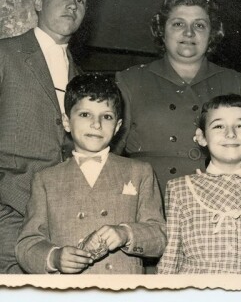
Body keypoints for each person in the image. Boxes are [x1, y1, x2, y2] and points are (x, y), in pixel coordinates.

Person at [115, 0, 241, 197]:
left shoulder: (235, 82)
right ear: (162, 31)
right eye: (178, 24)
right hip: (149, 198)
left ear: (212, 34)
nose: (189, 33)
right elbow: (110, 150)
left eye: (199, 25)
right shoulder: (130, 81)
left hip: (218, 199)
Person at [15, 74, 166, 274]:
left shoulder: (140, 172)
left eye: (107, 116)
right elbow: (27, 244)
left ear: (118, 127)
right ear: (66, 122)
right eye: (85, 114)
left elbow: (160, 236)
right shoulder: (45, 179)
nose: (96, 124)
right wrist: (55, 257)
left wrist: (126, 234)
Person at [0, 0, 95, 274]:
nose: (72, 6)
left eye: (80, 0)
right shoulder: (5, 55)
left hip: (59, 221)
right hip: (8, 214)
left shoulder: (81, 77)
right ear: (38, 2)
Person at [157, 94, 241, 274]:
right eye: (219, 126)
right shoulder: (180, 189)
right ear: (202, 137)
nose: (230, 134)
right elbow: (171, 256)